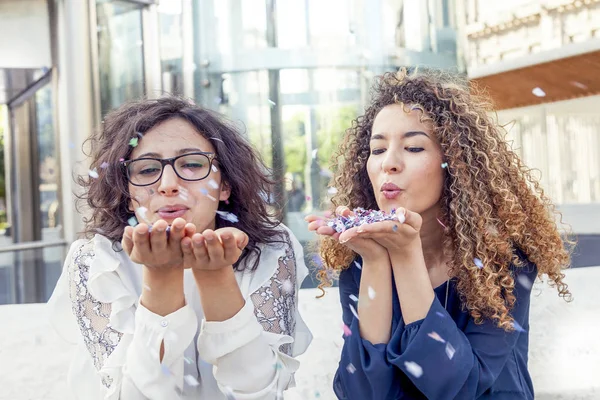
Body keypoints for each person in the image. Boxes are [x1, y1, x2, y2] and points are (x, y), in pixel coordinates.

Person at [306, 68, 572, 400]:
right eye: (377, 150)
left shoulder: (501, 260)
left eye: (414, 148)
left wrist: (405, 258)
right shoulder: (359, 259)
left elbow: (459, 389)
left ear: (455, 163)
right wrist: (375, 261)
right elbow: (361, 392)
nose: (389, 163)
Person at [48, 96, 312, 399]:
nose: (168, 184)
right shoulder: (95, 260)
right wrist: (161, 278)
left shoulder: (271, 248)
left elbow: (261, 392)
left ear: (224, 183)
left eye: (191, 164)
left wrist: (216, 278)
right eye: (147, 169)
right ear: (127, 190)